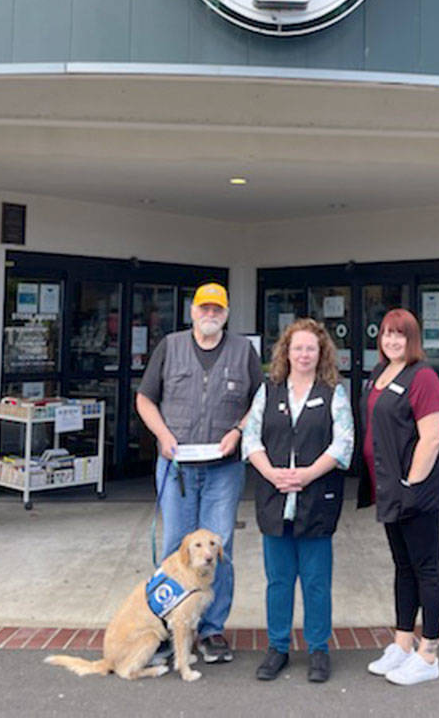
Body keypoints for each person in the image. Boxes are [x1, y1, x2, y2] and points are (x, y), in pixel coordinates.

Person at [135, 281, 262, 664]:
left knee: (219, 548)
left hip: (223, 470)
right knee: (176, 546)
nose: (210, 314)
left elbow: (260, 401)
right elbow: (145, 398)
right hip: (176, 469)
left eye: (217, 309)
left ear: (225, 314)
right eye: (203, 308)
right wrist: (162, 434)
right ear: (192, 311)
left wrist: (238, 431)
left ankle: (211, 631)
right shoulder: (169, 347)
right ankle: (168, 628)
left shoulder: (243, 352)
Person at [242, 318, 354, 684]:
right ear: (285, 352)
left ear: (321, 353)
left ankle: (318, 649)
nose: (304, 354)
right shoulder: (269, 390)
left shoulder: (333, 391)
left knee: (317, 581)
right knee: (278, 580)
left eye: (310, 348)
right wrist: (272, 474)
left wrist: (307, 475)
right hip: (275, 497)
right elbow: (251, 440)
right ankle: (278, 648)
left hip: (316, 496)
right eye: (297, 348)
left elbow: (343, 445)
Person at [359, 307, 439, 686]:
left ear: (412, 339)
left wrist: (412, 484)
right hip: (390, 489)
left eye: (400, 334)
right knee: (403, 566)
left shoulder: (422, 376)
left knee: (426, 567)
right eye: (386, 334)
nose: (392, 340)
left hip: (417, 491)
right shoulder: (380, 373)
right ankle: (402, 643)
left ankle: (428, 654)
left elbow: (432, 437)